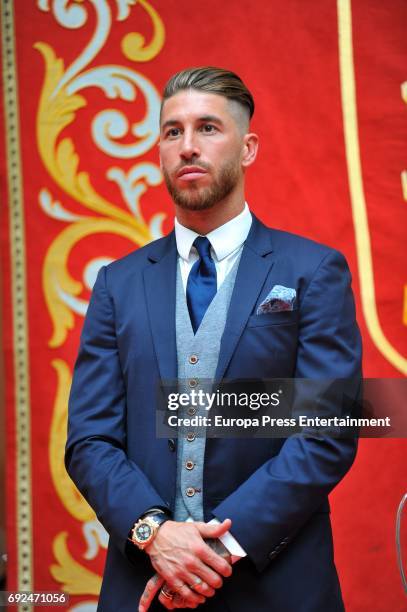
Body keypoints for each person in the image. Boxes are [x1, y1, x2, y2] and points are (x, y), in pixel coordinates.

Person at [66, 66, 362, 612]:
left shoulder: (313, 271)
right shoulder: (117, 284)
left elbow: (325, 432)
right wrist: (156, 535)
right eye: (172, 132)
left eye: (207, 128)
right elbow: (90, 439)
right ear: (159, 150)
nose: (187, 146)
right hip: (146, 587)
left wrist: (214, 550)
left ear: (247, 148)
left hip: (278, 588)